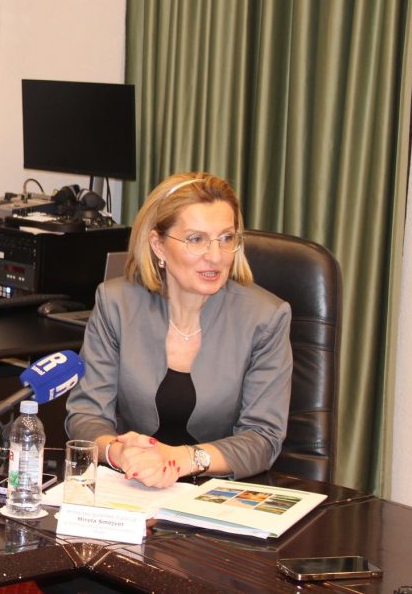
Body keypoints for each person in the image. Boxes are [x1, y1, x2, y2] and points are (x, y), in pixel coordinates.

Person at [65, 172, 292, 487]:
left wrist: (180, 459)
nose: (215, 256)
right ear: (158, 245)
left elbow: (262, 438)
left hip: (216, 495)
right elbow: (86, 415)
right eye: (196, 239)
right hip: (130, 485)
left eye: (226, 238)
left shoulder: (265, 317)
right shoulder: (116, 303)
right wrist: (119, 452)